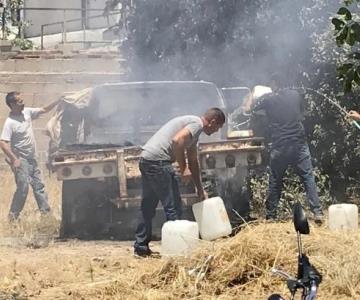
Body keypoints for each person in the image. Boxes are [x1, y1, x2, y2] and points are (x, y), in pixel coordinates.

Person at [134, 107, 226, 257]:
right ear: (213, 122)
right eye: (218, 127)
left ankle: (140, 248)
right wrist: (183, 169)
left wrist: (200, 189)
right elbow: (177, 141)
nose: (216, 131)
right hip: (159, 162)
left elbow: (193, 161)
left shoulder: (194, 133)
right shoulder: (196, 125)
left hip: (147, 159)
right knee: (174, 207)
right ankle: (178, 253)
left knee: (148, 207)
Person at [246, 74, 324, 223]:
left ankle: (271, 216)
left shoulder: (268, 99)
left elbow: (249, 109)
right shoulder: (295, 95)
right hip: (299, 144)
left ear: (275, 84)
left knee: (275, 180)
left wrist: (252, 93)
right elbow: (302, 112)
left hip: (280, 145)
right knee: (308, 177)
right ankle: (317, 212)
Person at [0, 91, 60, 221]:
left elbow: (44, 109)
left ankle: (46, 216)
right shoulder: (10, 123)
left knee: (39, 187)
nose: (23, 103)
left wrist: (57, 101)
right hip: (21, 161)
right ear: (12, 104)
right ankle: (13, 217)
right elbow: (3, 143)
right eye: (20, 101)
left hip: (32, 159)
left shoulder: (26, 112)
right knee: (23, 188)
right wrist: (14, 159)